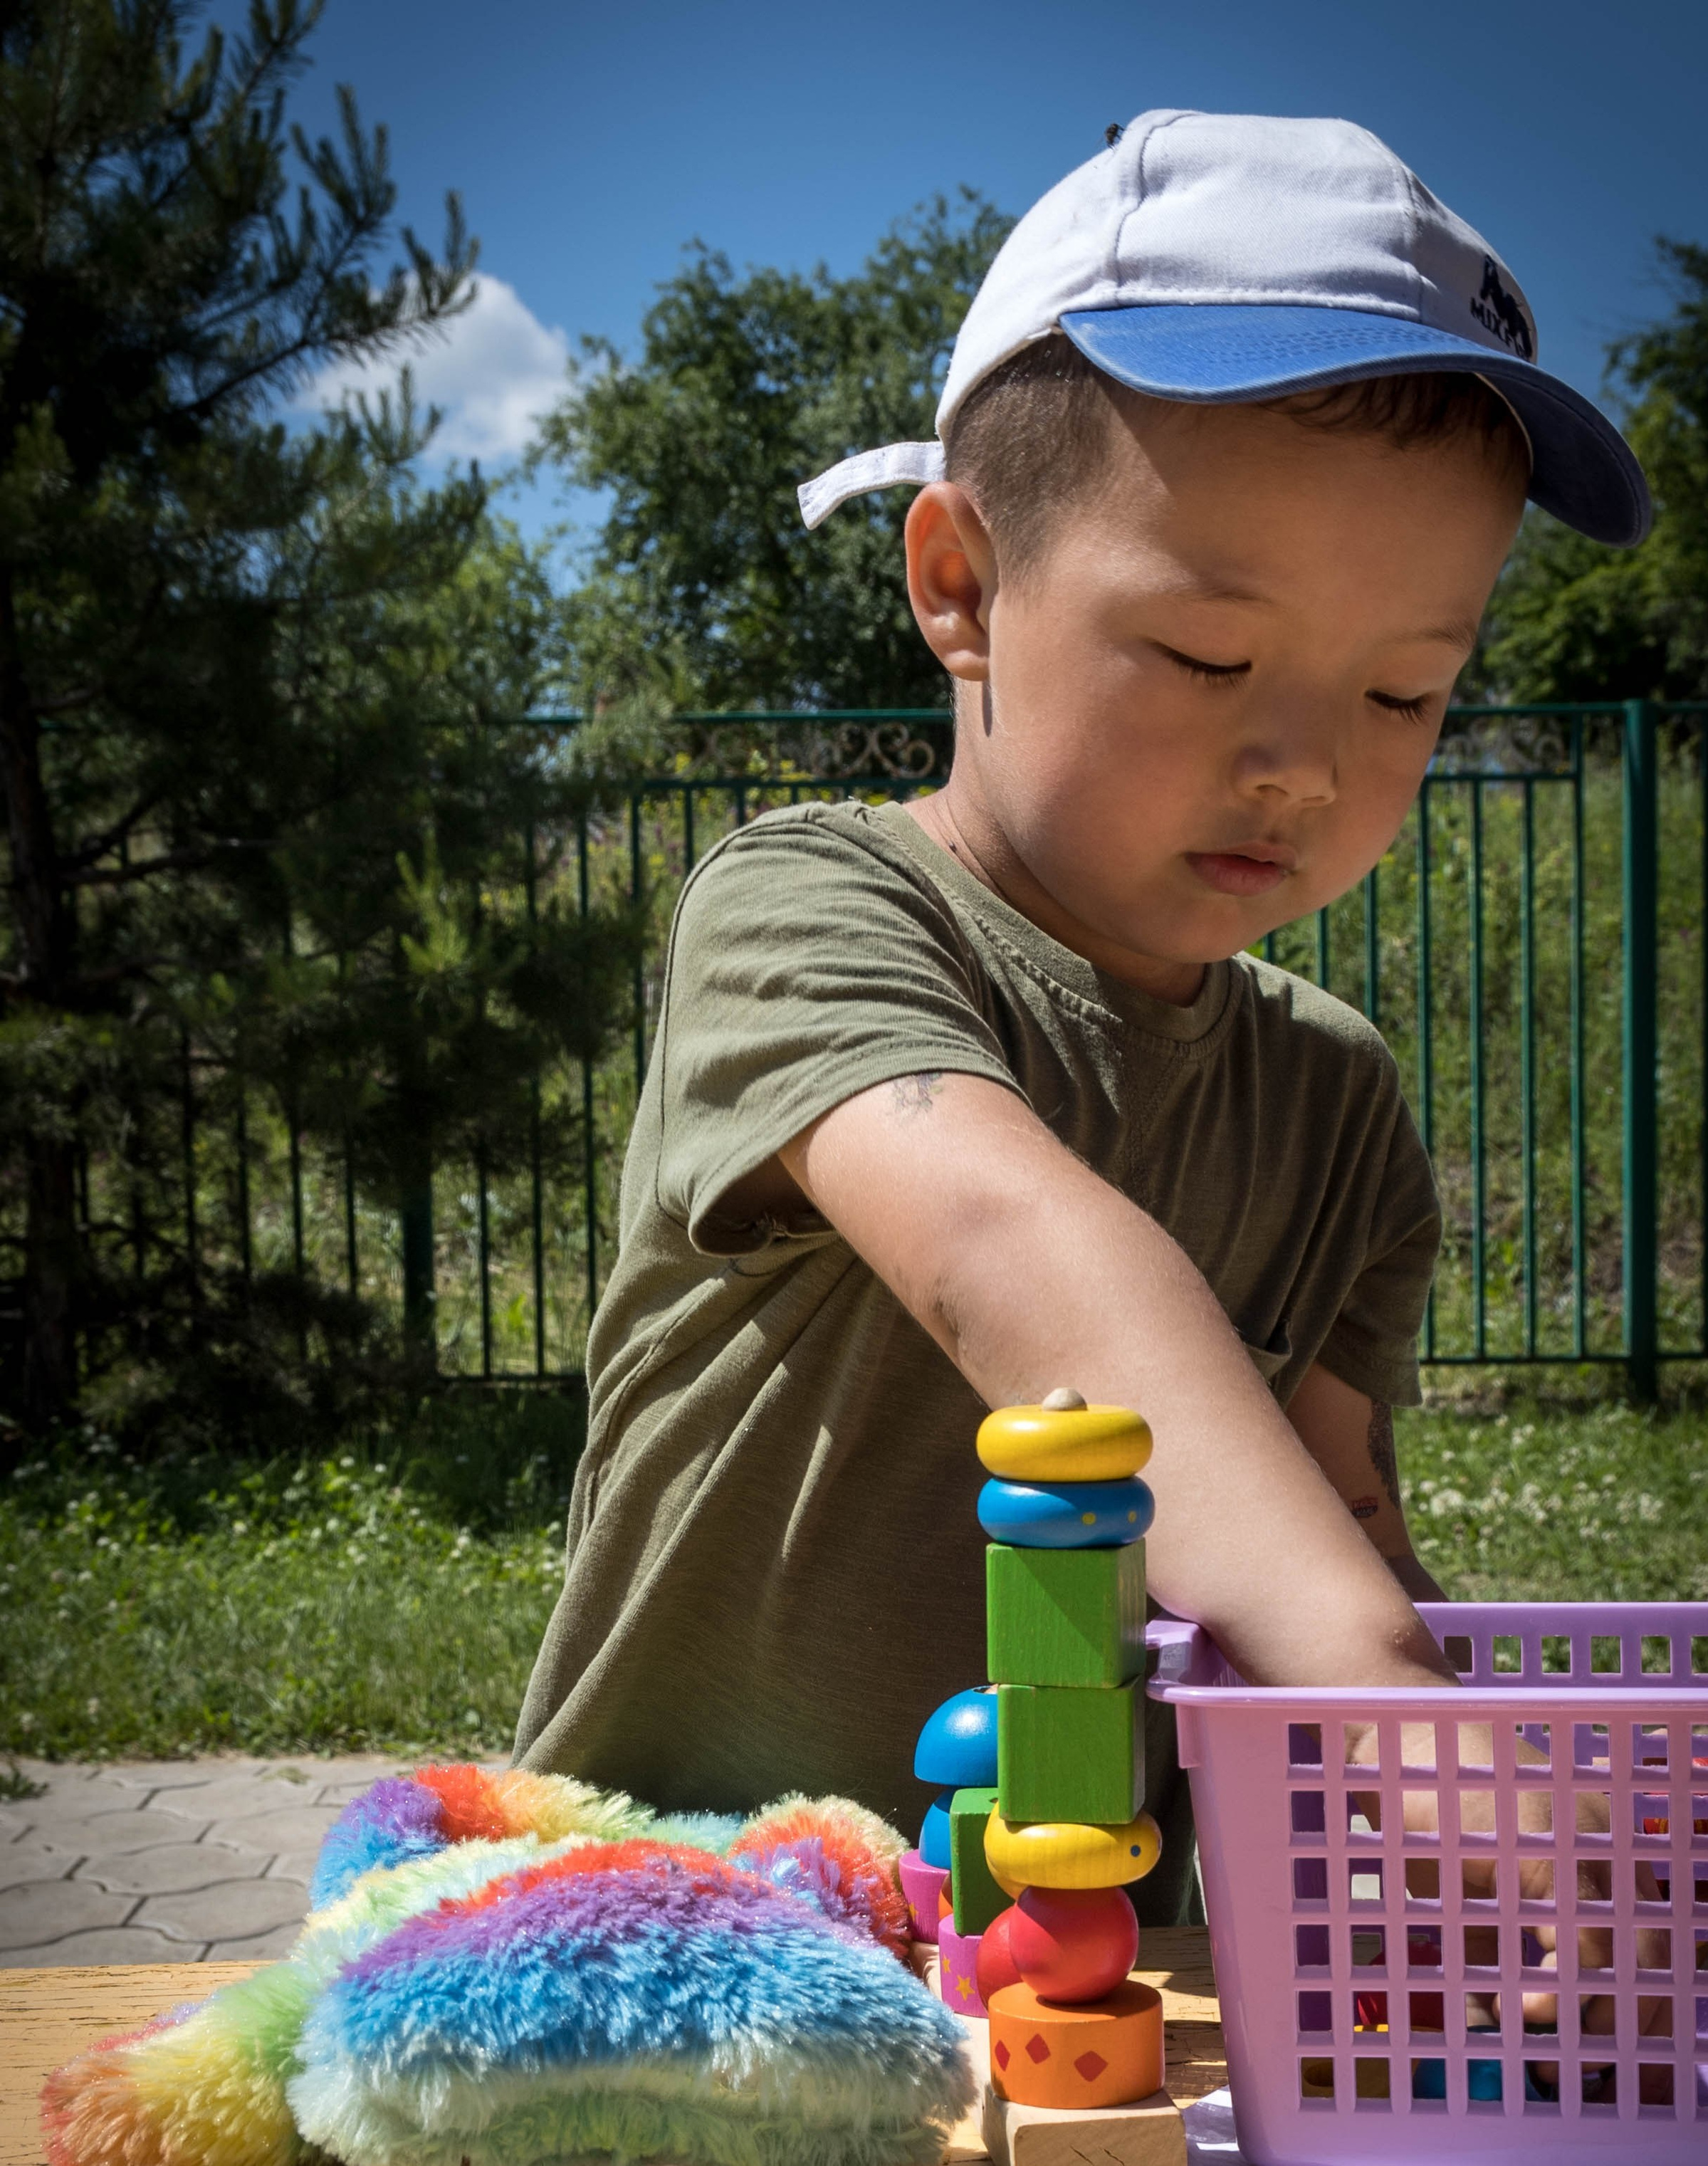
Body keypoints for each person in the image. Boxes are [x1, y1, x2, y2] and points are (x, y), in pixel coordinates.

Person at [516, 110, 1650, 1920]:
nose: (1300, 765)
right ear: (958, 586)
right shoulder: (808, 907)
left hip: (1091, 1970)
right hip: (674, 1932)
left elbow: (1336, 1536)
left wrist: (1491, 1858)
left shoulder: (1335, 1103)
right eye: (1206, 655)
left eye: (1402, 692)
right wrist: (1400, 1710)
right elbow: (1008, 1248)